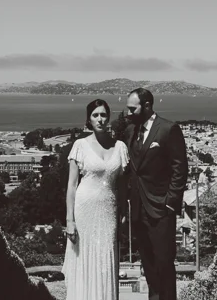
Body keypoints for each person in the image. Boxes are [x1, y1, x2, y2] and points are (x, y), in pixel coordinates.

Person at [124, 87, 188, 300]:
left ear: (147, 106)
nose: (128, 113)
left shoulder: (168, 129)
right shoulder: (130, 131)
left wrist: (170, 202)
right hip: (138, 209)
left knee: (164, 264)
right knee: (148, 265)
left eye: (132, 109)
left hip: (161, 208)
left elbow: (180, 168)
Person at [63, 99, 130, 300]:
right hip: (84, 210)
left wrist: (124, 212)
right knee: (84, 258)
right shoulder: (80, 145)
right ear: (89, 119)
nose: (100, 119)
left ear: (108, 118)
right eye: (95, 115)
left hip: (109, 211)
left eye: (103, 115)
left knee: (106, 259)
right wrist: (69, 220)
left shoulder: (120, 147)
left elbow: (123, 185)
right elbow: (71, 186)